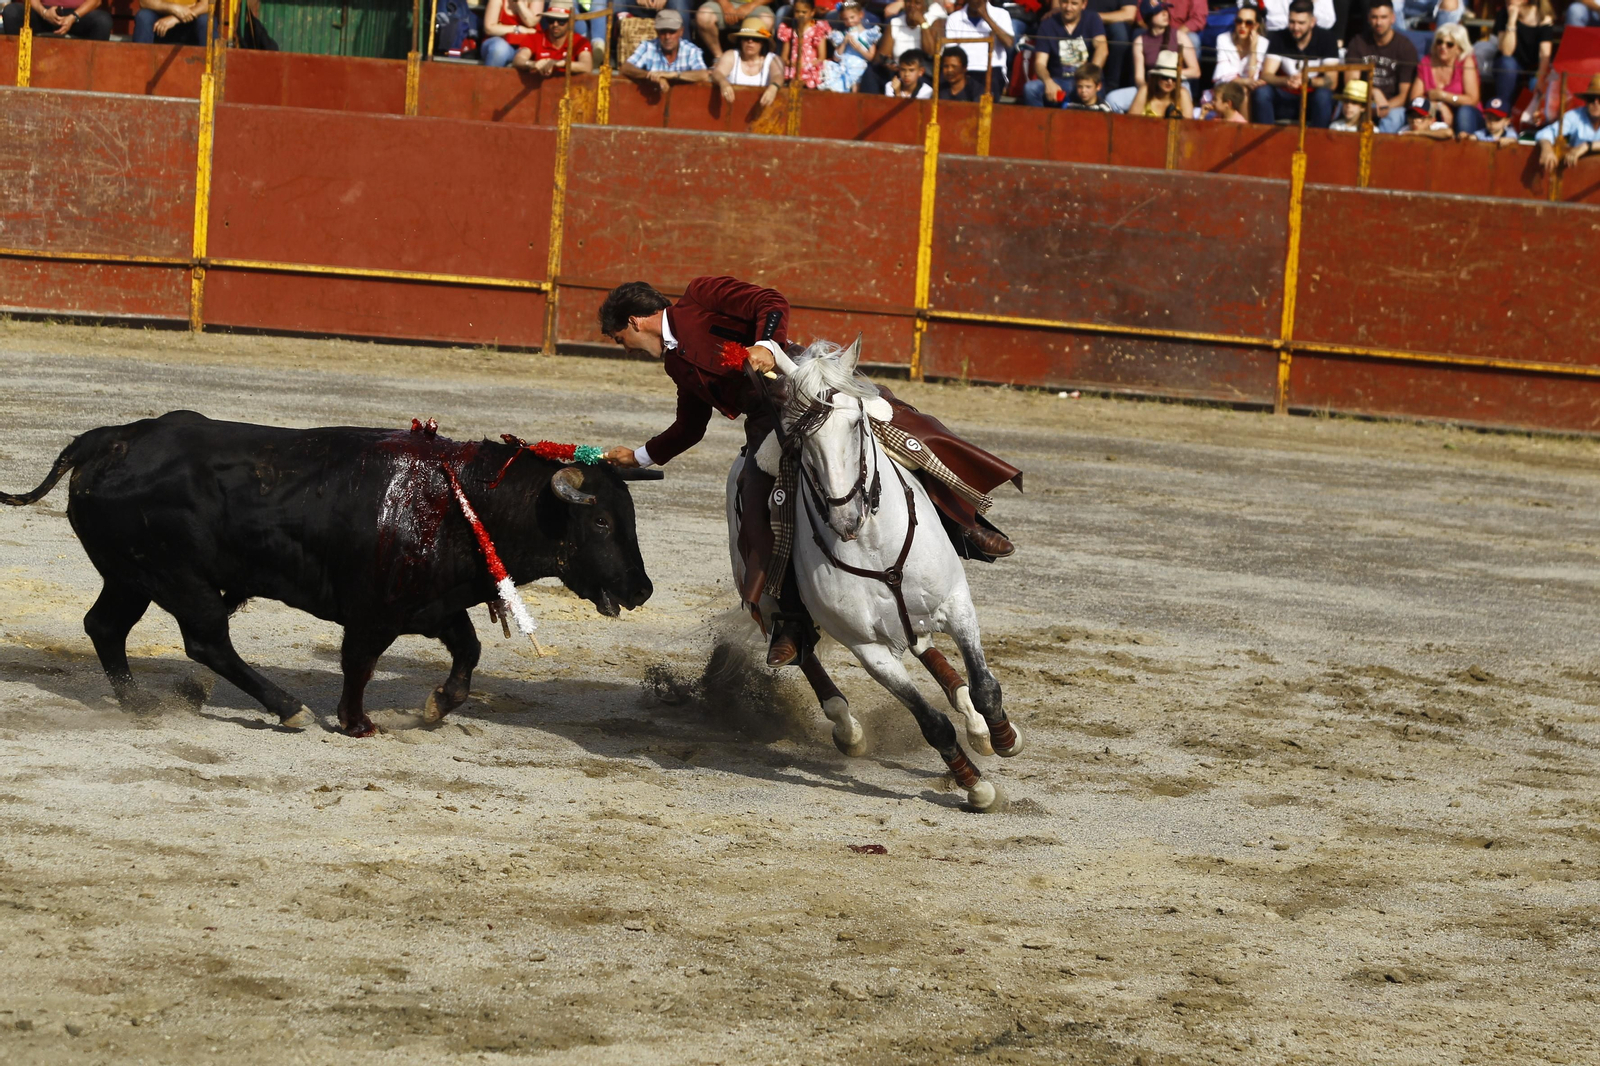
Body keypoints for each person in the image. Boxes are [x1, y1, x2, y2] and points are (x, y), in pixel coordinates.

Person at [596, 278, 1019, 666]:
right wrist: (641, 455)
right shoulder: (676, 365)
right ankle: (791, 620)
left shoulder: (701, 295)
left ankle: (965, 524)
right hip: (770, 423)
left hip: (807, 382)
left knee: (899, 422)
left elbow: (770, 300)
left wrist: (765, 344)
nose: (626, 348)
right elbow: (690, 426)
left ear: (634, 321)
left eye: (620, 339)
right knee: (754, 497)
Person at [1252, 0, 1336, 128]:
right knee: (1262, 93)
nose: (1296, 28)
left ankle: (1318, 142)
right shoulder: (1279, 37)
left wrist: (1307, 81)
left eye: (1301, 23)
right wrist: (1287, 80)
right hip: (1285, 96)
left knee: (1324, 96)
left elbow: (1332, 81)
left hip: (1311, 98)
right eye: (1292, 22)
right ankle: (1265, 142)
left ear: (1312, 22)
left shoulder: (1327, 39)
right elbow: (1266, 75)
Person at [1343, 0, 1417, 134]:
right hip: (1362, 101)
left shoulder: (1405, 47)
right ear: (1368, 19)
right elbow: (1351, 83)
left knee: (1394, 118)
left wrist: (1385, 106)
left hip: (1394, 105)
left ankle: (1379, 151)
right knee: (1350, 109)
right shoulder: (1358, 43)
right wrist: (1374, 91)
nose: (1379, 22)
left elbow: (1404, 95)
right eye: (1374, 17)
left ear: (1393, 18)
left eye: (1383, 17)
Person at [1404, 22, 1481, 138]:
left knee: (1464, 112)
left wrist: (1443, 96)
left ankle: (1465, 149)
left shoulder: (1466, 62)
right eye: (1440, 42)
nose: (1443, 47)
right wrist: (1439, 105)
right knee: (1412, 114)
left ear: (1459, 49)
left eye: (1449, 44)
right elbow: (1415, 98)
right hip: (1436, 116)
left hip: (1467, 116)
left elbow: (1472, 99)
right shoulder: (1427, 62)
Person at [1024, 0, 1108, 107]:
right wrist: (1048, 82)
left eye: (1074, 3)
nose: (1068, 8)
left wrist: (1090, 77)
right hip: (1059, 81)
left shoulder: (1092, 19)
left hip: (1085, 81)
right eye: (1065, 2)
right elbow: (1040, 63)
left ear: (1084, 4)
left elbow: (1102, 49)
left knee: (1092, 89)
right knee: (1030, 89)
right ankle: (1038, 123)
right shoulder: (1048, 24)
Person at [1487, 0, 1554, 118]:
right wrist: (1512, 20)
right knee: (1508, 64)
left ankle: (1532, 122)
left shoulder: (1543, 18)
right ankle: (1502, 114)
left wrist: (1540, 79)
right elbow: (1507, 51)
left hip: (1534, 68)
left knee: (1537, 82)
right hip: (1510, 65)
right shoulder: (1504, 14)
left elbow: (1545, 55)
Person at [865, 0, 944, 92]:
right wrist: (888, 63)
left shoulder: (934, 21)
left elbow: (931, 52)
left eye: (917, 3)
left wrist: (922, 22)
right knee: (871, 72)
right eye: (908, 2)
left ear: (925, 7)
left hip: (921, 73)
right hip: (899, 71)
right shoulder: (896, 22)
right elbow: (880, 57)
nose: (911, 6)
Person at [943, 0, 1014, 97]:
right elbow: (951, 51)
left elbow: (1009, 43)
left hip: (991, 69)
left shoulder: (1001, 14)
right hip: (963, 70)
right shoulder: (954, 18)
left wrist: (987, 17)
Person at [622, 9, 711, 85]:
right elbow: (626, 68)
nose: (667, 37)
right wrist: (651, 76)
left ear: (681, 32)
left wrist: (674, 75)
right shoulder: (648, 47)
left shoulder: (691, 50)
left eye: (672, 32)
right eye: (663, 32)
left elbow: (703, 74)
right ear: (657, 32)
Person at [712, 16, 786, 105]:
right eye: (746, 38)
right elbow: (718, 73)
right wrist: (723, 83)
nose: (750, 41)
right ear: (741, 41)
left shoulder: (773, 59)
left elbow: (778, 75)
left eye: (755, 39)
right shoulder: (731, 55)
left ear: (762, 42)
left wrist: (773, 87)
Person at [505, 2, 595, 74]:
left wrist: (559, 63)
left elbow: (587, 66)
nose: (555, 24)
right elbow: (518, 59)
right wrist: (532, 64)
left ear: (571, 22)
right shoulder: (535, 37)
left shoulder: (580, 41)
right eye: (551, 20)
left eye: (561, 21)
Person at [1536, 73, 1600, 172]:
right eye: (1591, 99)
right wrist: (1547, 149)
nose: (1596, 103)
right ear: (1586, 100)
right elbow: (1547, 132)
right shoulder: (1575, 115)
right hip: (1578, 173)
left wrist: (1586, 146)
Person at [1212, 2, 1268, 90]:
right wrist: (1245, 82)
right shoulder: (1223, 39)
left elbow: (1253, 78)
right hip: (1225, 88)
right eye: (1239, 21)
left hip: (1249, 91)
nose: (1242, 26)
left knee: (1245, 92)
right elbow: (1223, 77)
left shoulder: (1263, 44)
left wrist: (1253, 51)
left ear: (1256, 26)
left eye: (1248, 23)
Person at [696, 0, 775, 61]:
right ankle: (719, 58)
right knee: (704, 16)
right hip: (721, 3)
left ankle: (753, 60)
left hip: (756, 4)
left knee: (766, 21)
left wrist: (750, 6)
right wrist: (724, 4)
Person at [778, 0, 830, 87]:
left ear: (812, 12)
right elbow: (784, 56)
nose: (800, 15)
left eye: (804, 12)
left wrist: (808, 65)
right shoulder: (789, 30)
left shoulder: (818, 29)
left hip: (811, 68)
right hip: (794, 68)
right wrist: (789, 62)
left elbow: (822, 57)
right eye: (797, 11)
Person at [829, 0, 880, 89]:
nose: (849, 21)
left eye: (852, 17)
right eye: (845, 19)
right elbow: (836, 58)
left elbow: (871, 57)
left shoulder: (869, 35)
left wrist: (859, 48)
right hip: (843, 68)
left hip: (859, 69)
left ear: (861, 15)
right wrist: (844, 43)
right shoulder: (842, 35)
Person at [1, 0, 111, 39]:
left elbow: (95, 1)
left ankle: (91, 72)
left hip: (77, 15)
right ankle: (17, 64)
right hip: (43, 13)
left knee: (102, 21)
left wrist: (73, 17)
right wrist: (44, 13)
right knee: (11, 12)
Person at [1130, 47, 1191, 116]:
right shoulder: (1145, 90)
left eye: (1174, 78)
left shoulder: (1182, 94)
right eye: (1165, 77)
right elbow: (1131, 121)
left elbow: (1188, 124)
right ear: (1156, 77)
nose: (1169, 81)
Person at [1090, 0, 1137, 90]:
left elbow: (1129, 15)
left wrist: (1092, 17)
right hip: (1078, 20)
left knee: (1120, 34)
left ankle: (1112, 86)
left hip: (1109, 25)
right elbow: (1058, 9)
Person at [131, 0, 208, 44]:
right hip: (159, 25)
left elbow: (207, 5)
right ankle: (140, 65)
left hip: (191, 23)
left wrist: (175, 18)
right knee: (144, 16)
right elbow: (144, 2)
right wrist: (174, 8)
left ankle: (212, 68)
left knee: (206, 20)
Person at [1262, 0, 1333, 33]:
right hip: (1275, 38)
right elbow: (1271, 20)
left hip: (1311, 39)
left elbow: (1328, 21)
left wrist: (1313, 4)